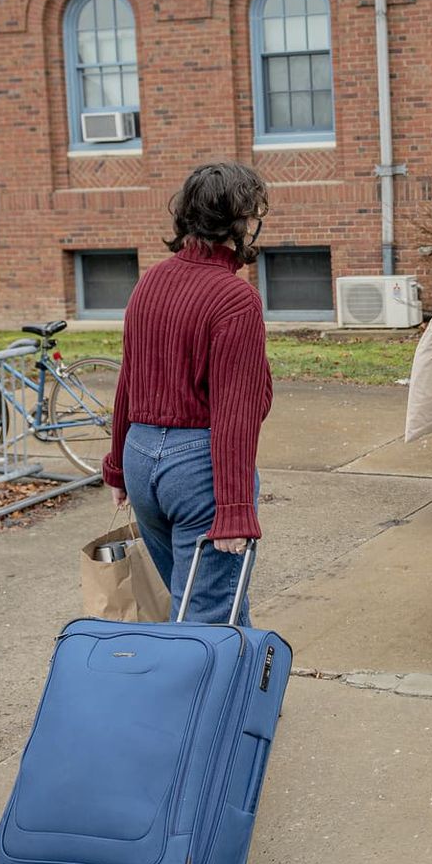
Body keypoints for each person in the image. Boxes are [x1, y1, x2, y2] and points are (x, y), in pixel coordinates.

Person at [102, 163, 273, 625]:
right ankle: (193, 698)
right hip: (198, 470)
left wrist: (118, 466)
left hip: (142, 459)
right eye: (254, 213)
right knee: (206, 615)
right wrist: (236, 510)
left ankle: (243, 696)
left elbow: (128, 382)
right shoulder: (234, 299)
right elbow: (235, 411)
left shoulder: (150, 283)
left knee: (211, 600)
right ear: (239, 221)